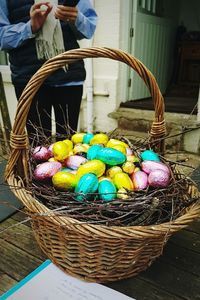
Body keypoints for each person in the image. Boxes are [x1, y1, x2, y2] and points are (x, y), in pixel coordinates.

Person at [0, 0, 97, 143]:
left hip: (68, 76)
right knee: (38, 144)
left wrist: (76, 18)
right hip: (29, 79)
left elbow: (89, 30)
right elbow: (1, 38)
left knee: (68, 143)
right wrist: (30, 27)